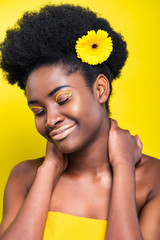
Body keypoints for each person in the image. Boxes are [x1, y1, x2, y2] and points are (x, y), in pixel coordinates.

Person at [0, 4, 160, 240]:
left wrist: (123, 167)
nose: (51, 119)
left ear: (100, 89)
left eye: (62, 99)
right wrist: (49, 170)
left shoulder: (153, 179)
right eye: (38, 111)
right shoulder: (24, 176)